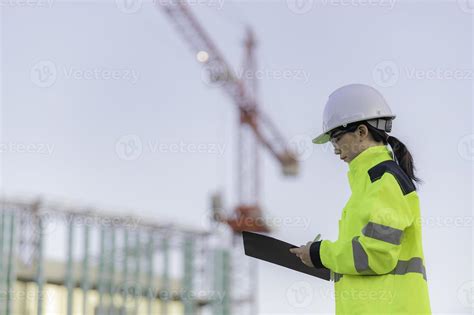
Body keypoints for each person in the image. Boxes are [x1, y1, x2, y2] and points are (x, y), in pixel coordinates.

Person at [289, 84, 431, 314]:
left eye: (336, 138)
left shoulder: (383, 181)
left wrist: (320, 253)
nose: (335, 150)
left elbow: (375, 255)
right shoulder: (370, 184)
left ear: (362, 132)